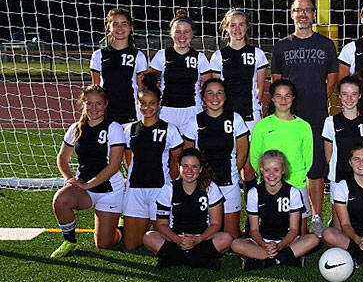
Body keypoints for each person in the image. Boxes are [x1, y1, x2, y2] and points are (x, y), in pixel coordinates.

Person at [271, 0, 339, 234]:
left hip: (316, 114)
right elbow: (276, 81)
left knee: (315, 166)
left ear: (313, 15)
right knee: (288, 164)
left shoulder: (325, 45)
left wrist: (318, 98)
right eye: (298, 10)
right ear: (291, 14)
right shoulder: (281, 46)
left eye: (307, 10)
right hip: (288, 116)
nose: (302, 14)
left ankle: (317, 216)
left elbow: (332, 79)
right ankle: (289, 215)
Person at [51, 85, 126, 258]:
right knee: (60, 200)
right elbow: (62, 159)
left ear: (106, 104)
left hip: (109, 191)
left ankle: (123, 228)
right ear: (82, 104)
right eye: (89, 104)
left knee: (104, 244)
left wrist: (87, 185)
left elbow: (114, 166)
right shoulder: (76, 128)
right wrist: (70, 179)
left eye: (98, 104)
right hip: (84, 189)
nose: (93, 108)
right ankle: (69, 241)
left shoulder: (113, 128)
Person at [122, 73, 184, 250]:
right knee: (131, 245)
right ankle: (143, 223)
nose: (147, 107)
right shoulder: (130, 129)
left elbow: (175, 163)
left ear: (158, 104)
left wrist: (167, 187)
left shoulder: (169, 129)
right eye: (143, 103)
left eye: (152, 103)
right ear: (137, 103)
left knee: (168, 244)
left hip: (160, 189)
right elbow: (129, 161)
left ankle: (153, 223)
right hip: (136, 190)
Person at [210, 8, 268, 195]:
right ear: (226, 28)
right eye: (232, 25)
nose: (237, 29)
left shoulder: (257, 54)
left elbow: (260, 90)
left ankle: (253, 217)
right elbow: (216, 92)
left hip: (251, 117)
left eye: (241, 24)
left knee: (250, 170)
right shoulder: (219, 56)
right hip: (227, 118)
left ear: (247, 27)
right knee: (226, 166)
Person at [143, 147, 232, 269]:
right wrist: (177, 240)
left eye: (194, 166)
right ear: (179, 166)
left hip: (202, 238)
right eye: (185, 166)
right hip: (175, 238)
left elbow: (216, 224)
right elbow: (161, 224)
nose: (189, 170)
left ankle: (174, 259)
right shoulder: (169, 189)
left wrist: (198, 239)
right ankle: (200, 261)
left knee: (226, 239)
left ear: (200, 169)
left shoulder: (210, 188)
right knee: (149, 237)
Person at [231, 150, 320, 271]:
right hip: (261, 242)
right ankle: (286, 258)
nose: (271, 175)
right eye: (267, 170)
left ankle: (266, 261)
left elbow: (294, 230)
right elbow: (254, 230)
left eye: (276, 170)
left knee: (313, 239)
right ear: (261, 170)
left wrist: (279, 246)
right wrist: (264, 245)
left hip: (287, 241)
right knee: (235, 244)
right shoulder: (254, 193)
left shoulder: (292, 192)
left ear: (283, 170)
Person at [183, 78, 249, 238]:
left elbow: (242, 153)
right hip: (202, 185)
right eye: (210, 93)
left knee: (231, 238)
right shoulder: (194, 122)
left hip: (228, 182)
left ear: (225, 97)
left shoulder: (235, 119)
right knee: (201, 233)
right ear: (203, 97)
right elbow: (188, 156)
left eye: (219, 93)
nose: (215, 97)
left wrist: (233, 173)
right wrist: (201, 180)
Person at [249, 79, 313, 232]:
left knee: (300, 231)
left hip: (297, 182)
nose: (283, 100)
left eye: (287, 96)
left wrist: (298, 178)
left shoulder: (303, 126)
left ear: (293, 98)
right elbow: (255, 156)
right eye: (278, 96)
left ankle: (298, 255)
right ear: (272, 99)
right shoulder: (262, 126)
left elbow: (308, 158)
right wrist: (267, 176)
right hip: (269, 183)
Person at [322, 75, 363, 231]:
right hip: (339, 176)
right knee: (339, 227)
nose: (349, 98)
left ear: (360, 96)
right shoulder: (331, 122)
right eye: (345, 94)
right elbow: (329, 154)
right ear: (339, 96)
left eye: (353, 94)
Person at [149, 9, 212, 134]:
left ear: (192, 33)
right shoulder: (162, 55)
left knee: (192, 150)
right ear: (171, 34)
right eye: (177, 32)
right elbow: (148, 82)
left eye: (186, 32)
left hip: (192, 110)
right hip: (166, 110)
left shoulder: (200, 58)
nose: (182, 36)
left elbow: (208, 86)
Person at [90, 8, 147, 126]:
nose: (119, 28)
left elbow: (142, 88)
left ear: (130, 27)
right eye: (115, 24)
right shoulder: (98, 55)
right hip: (105, 113)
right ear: (108, 27)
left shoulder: (138, 56)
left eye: (124, 24)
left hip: (131, 113)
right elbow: (95, 90)